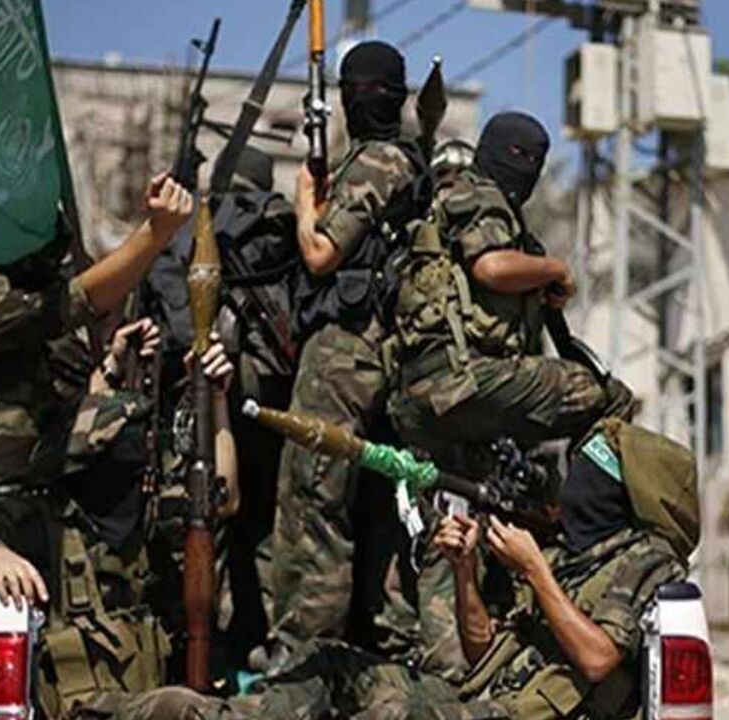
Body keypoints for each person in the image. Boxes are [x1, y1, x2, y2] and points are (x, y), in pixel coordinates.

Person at [100, 419, 695, 720]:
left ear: (629, 496)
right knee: (333, 664)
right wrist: (465, 571)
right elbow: (481, 650)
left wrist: (535, 571)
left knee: (374, 705)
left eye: (596, 475)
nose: (578, 487)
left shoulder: (642, 561)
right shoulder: (574, 554)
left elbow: (597, 659)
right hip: (472, 701)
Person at [0, 173, 194, 720]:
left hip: (63, 541)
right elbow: (79, 299)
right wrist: (156, 233)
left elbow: (69, 425)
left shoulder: (60, 344)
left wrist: (113, 367)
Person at [0, 321, 237, 720]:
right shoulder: (36, 521)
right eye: (112, 455)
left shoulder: (149, 511)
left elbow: (222, 497)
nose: (127, 468)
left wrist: (215, 402)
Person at [269, 39, 429, 658]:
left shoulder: (378, 163)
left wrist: (306, 202)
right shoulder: (405, 161)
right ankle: (383, 638)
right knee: (375, 503)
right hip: (383, 357)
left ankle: (305, 649)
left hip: (345, 353)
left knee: (313, 496)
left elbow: (319, 255)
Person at [389, 112, 634, 470]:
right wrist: (556, 268)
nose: (528, 167)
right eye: (520, 155)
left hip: (425, 393)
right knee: (605, 396)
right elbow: (491, 268)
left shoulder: (446, 209)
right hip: (461, 383)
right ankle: (591, 512)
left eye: (537, 161)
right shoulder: (483, 195)